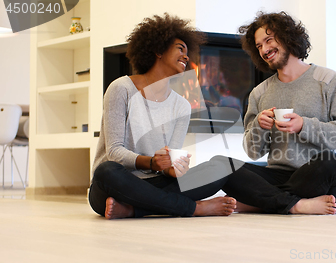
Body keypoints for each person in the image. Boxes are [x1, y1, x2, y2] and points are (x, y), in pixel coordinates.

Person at [88, 13, 237, 219]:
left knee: (220, 167)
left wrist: (174, 168)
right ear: (158, 49)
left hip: (153, 182)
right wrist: (151, 162)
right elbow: (114, 152)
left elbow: (169, 165)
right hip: (116, 184)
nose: (186, 57)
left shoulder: (182, 106)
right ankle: (194, 208)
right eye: (180, 49)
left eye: (187, 52)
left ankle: (134, 210)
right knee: (107, 170)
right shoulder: (121, 88)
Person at [220, 11, 336, 214]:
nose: (264, 50)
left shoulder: (328, 80)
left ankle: (259, 201)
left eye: (268, 40)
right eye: (259, 46)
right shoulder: (259, 93)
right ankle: (296, 205)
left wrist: (304, 125)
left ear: (287, 36)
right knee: (222, 166)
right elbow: (252, 152)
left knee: (332, 162)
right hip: (277, 174)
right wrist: (259, 126)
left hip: (318, 175)